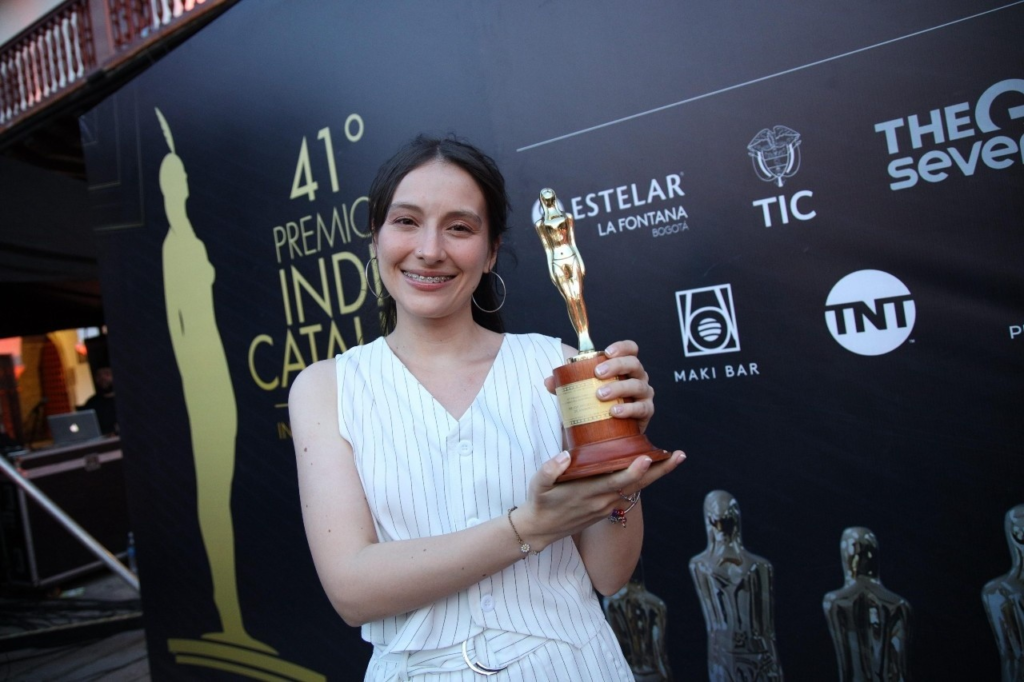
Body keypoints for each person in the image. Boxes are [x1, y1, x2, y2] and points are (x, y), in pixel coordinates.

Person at [289, 135, 686, 680]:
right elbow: (353, 590)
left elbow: (609, 574)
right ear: (375, 237)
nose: (430, 249)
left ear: (491, 249)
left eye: (459, 227)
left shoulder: (558, 366)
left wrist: (623, 466)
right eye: (406, 221)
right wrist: (531, 526)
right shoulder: (327, 388)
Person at [81, 366, 117, 435]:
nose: (102, 378)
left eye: (107, 374)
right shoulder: (91, 403)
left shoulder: (125, 400)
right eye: (99, 375)